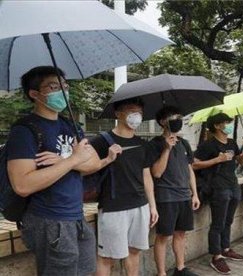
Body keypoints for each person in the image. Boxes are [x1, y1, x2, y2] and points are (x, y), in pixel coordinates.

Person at [7, 66, 99, 275]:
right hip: (49, 219)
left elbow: (93, 163)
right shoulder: (25, 130)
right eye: (54, 86)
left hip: (76, 216)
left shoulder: (70, 125)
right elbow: (22, 185)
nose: (63, 91)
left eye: (65, 86)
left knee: (85, 271)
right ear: (34, 94)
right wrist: (74, 160)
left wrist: (62, 161)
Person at [90, 98, 159, 276]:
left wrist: (152, 205)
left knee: (134, 251)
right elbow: (82, 170)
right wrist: (107, 159)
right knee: (107, 257)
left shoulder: (143, 144)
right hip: (113, 207)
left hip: (140, 205)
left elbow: (146, 176)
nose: (136, 115)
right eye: (130, 110)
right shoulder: (101, 142)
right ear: (118, 113)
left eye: (139, 112)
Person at [193, 113, 243, 275]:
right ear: (217, 126)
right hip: (217, 187)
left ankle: (225, 248)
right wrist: (216, 160)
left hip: (232, 185)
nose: (229, 125)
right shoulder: (208, 145)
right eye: (226, 122)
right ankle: (216, 256)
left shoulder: (232, 142)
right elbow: (194, 165)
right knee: (218, 223)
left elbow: (240, 161)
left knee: (228, 220)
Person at [147, 106, 200, 276]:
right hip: (166, 197)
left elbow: (189, 169)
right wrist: (167, 148)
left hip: (184, 196)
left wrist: (195, 193)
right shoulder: (155, 144)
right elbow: (156, 172)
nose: (178, 120)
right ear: (163, 122)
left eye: (180, 116)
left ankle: (180, 268)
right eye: (174, 117)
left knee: (181, 234)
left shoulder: (184, 143)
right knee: (163, 236)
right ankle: (161, 273)